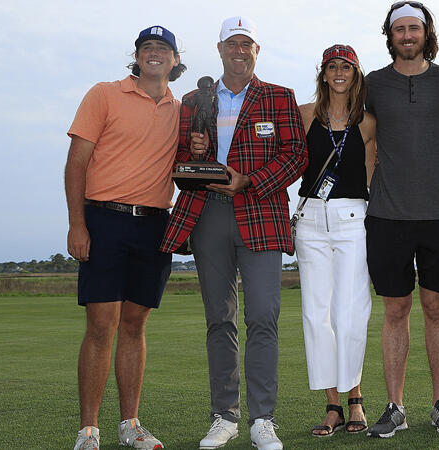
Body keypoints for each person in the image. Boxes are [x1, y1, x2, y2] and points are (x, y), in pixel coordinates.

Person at [159, 16, 307, 450]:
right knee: (219, 319)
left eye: (247, 44)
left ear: (256, 51)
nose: (239, 51)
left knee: (263, 317)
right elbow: (180, 161)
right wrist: (195, 151)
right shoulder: (193, 99)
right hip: (207, 214)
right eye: (232, 44)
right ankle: (224, 416)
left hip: (259, 212)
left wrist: (250, 181)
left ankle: (263, 419)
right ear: (219, 50)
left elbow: (295, 155)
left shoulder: (280, 98)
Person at [65, 25, 185, 450]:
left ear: (175, 59)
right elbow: (76, 161)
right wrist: (76, 224)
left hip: (155, 224)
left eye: (162, 49)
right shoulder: (104, 94)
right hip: (104, 219)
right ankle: (89, 430)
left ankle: (130, 424)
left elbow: (193, 161)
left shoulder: (182, 108)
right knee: (101, 325)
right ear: (136, 57)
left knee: (134, 326)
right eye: (146, 48)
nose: (154, 54)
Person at [364, 1, 439, 438]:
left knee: (436, 308)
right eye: (399, 29)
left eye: (414, 28)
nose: (407, 35)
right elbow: (357, 135)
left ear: (426, 33)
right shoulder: (372, 83)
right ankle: (395, 406)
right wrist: (372, 186)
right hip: (387, 217)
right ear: (390, 35)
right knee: (395, 309)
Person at [295, 44, 376, 437]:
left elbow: (374, 171)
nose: (339, 72)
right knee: (316, 314)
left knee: (351, 313)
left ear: (355, 73)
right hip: (310, 219)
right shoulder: (305, 115)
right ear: (323, 73)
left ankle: (355, 399)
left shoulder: (368, 122)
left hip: (351, 219)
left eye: (346, 66)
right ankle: (332, 405)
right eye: (332, 66)